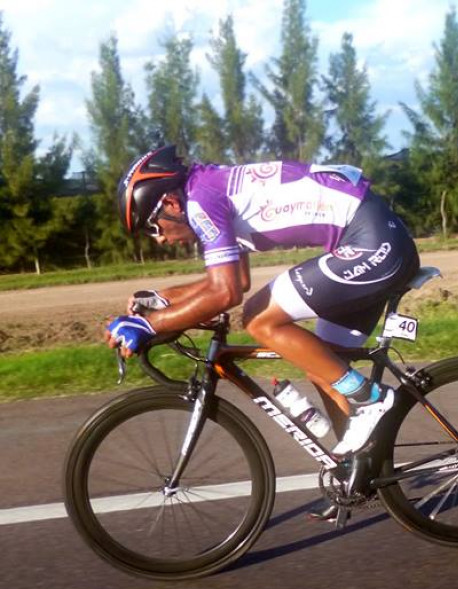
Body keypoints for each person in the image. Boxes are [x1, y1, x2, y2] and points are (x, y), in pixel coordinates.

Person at [106, 146, 420, 514]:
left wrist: (147, 325)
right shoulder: (207, 191)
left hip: (372, 242)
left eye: (153, 227)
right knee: (321, 364)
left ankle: (371, 398)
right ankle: (356, 472)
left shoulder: (201, 201)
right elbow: (232, 281)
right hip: (371, 237)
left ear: (171, 204)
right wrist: (162, 301)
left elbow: (225, 293)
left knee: (258, 318)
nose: (158, 239)